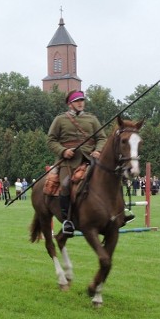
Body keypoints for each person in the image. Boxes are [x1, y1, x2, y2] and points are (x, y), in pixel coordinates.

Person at [47, 90, 107, 234]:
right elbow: (51, 140)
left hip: (91, 159)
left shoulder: (92, 119)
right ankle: (67, 220)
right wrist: (63, 151)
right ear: (70, 104)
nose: (80, 103)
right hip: (69, 162)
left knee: (110, 178)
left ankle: (118, 212)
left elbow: (102, 138)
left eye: (82, 100)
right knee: (66, 185)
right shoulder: (60, 120)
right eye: (77, 101)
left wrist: (98, 151)